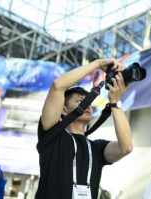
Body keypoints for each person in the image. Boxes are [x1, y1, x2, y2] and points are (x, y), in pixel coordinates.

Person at [35, 58, 133, 199]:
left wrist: (115, 101)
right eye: (81, 102)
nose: (87, 105)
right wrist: (98, 64)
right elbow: (58, 86)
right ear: (63, 109)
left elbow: (126, 147)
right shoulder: (52, 135)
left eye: (88, 102)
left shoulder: (96, 148)